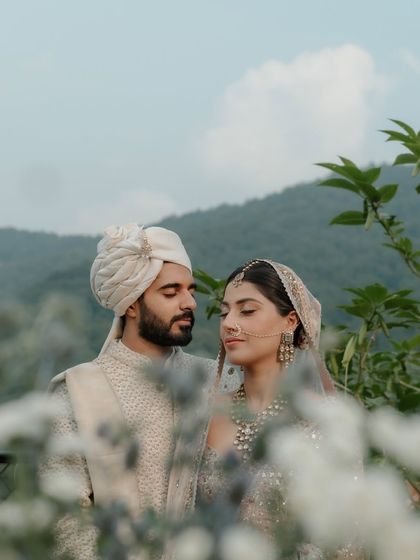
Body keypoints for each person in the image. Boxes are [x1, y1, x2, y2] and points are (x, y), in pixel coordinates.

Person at [43, 223, 237, 559]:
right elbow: (66, 517)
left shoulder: (217, 380)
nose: (189, 302)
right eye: (170, 291)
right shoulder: (77, 390)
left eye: (190, 290)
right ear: (131, 304)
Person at [196, 259, 360, 559]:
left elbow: (347, 541)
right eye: (224, 312)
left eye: (247, 310)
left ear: (291, 321)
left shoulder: (322, 422)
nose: (229, 322)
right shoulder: (206, 415)